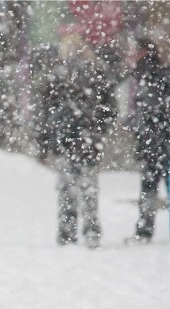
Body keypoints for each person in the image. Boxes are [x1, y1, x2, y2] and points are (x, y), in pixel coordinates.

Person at [36, 37, 117, 249]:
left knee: (70, 189)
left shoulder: (62, 78)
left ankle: (69, 232)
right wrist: (99, 130)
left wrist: (45, 143)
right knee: (85, 189)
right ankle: (87, 231)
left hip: (70, 141)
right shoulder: (95, 76)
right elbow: (109, 109)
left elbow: (45, 114)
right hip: (81, 142)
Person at [125, 38, 170, 245]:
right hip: (158, 144)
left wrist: (140, 127)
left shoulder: (152, 76)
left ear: (143, 52)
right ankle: (144, 230)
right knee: (150, 188)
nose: (130, 54)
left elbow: (153, 111)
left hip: (159, 145)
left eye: (134, 50)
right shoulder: (150, 75)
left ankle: (144, 231)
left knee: (150, 188)